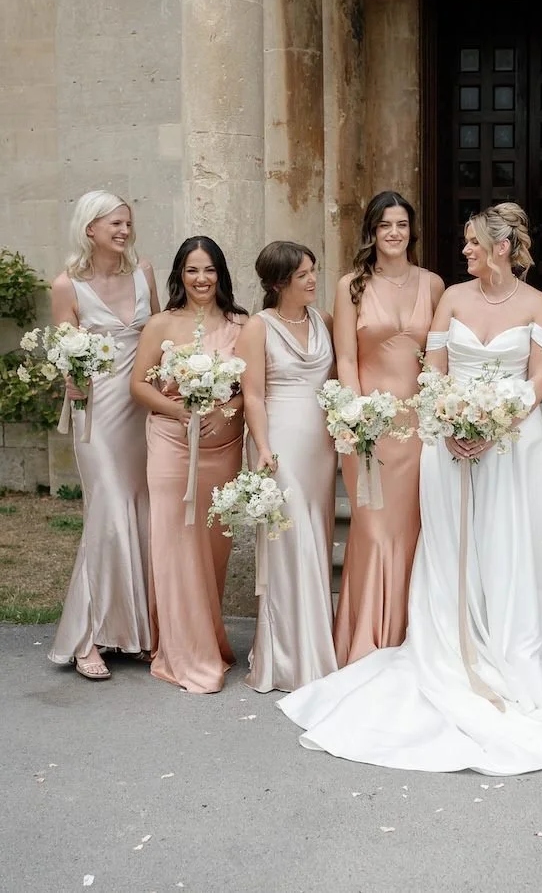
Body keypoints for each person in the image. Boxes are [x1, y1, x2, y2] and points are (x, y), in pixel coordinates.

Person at [277, 203, 542, 775]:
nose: (464, 250)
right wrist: (450, 421)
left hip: (512, 447)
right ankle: (447, 639)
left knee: (505, 545)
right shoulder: (453, 298)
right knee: (448, 547)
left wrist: (497, 422)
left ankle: (505, 649)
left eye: (472, 243)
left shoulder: (536, 304)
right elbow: (436, 368)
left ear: (500, 248)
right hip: (446, 444)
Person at [48, 191, 160, 680]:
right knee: (108, 514)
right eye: (115, 223)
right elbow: (65, 352)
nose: (124, 230)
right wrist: (69, 377)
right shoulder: (66, 285)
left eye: (128, 223)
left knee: (141, 513)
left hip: (142, 410)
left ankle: (134, 632)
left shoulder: (144, 273)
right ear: (89, 227)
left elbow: (159, 334)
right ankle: (86, 637)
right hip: (96, 413)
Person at [331, 191, 444, 666]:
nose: (394, 233)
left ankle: (405, 638)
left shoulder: (433, 284)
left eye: (401, 224)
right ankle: (366, 640)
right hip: (370, 427)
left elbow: (438, 356)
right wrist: (356, 416)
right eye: (384, 225)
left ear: (411, 231)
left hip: (419, 428)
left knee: (411, 532)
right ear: (372, 232)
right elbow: (346, 357)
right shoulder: (351, 286)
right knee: (374, 531)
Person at [131, 236, 247, 694]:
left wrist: (227, 411)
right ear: (180, 274)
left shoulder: (241, 325)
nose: (201, 279)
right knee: (175, 541)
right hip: (170, 442)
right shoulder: (160, 324)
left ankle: (207, 638)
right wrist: (179, 411)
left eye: (210, 270)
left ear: (221, 274)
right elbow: (139, 385)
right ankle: (184, 650)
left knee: (213, 546)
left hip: (223, 446)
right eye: (193, 270)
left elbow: (250, 389)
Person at [237, 241, 338, 693]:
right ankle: (287, 657)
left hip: (320, 445)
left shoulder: (324, 321)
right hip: (278, 443)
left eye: (313, 271)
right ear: (279, 283)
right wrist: (262, 447)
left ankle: (317, 647)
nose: (313, 279)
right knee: (289, 540)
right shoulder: (258, 327)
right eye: (303, 275)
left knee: (316, 535)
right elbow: (253, 395)